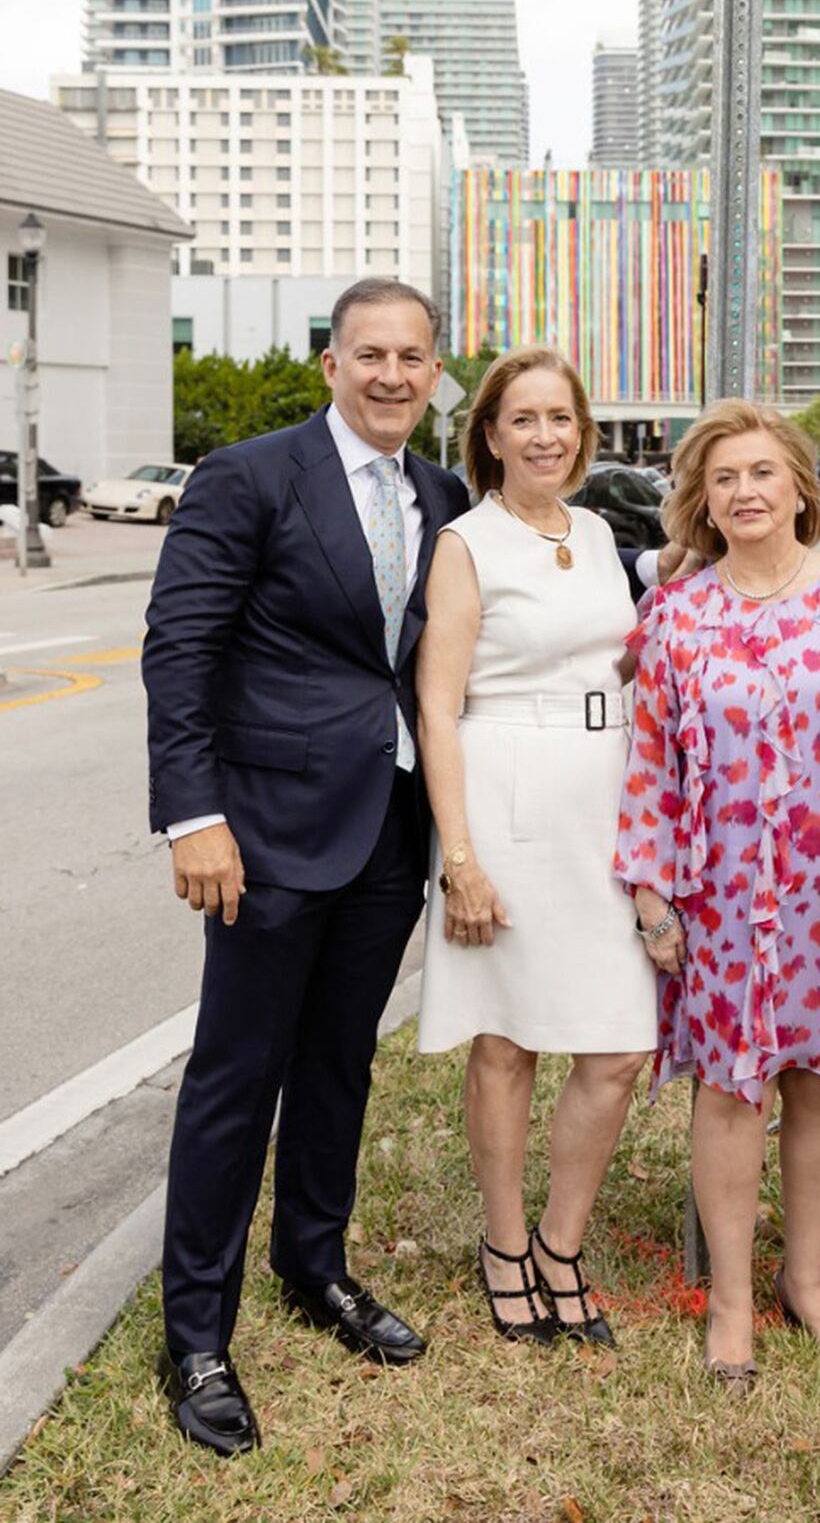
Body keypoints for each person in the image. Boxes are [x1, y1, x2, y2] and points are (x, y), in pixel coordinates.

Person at [142, 278, 469, 1456]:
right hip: (268, 829)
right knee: (237, 1077)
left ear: (435, 371)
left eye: (412, 356)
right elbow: (180, 648)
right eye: (370, 353)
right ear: (331, 363)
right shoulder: (248, 475)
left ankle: (313, 1263)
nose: (391, 374)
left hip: (387, 823)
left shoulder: (445, 496)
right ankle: (196, 1336)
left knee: (338, 1063)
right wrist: (193, 813)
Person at [614, 400, 820, 1390]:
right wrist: (651, 895)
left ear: (801, 488)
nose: (745, 491)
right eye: (723, 478)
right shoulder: (675, 617)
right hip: (719, 896)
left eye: (763, 472)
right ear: (702, 501)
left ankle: (804, 1279)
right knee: (730, 1089)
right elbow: (652, 765)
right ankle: (729, 1300)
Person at [416, 347, 657, 1347]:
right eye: (523, 418)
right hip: (505, 794)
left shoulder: (596, 531)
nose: (545, 435)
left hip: (604, 796)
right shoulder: (465, 542)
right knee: (506, 1039)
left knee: (621, 1043)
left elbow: (616, 656)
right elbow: (437, 707)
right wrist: (461, 858)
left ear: (582, 432)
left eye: (560, 417)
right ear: (491, 434)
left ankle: (562, 1242)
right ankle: (506, 1244)